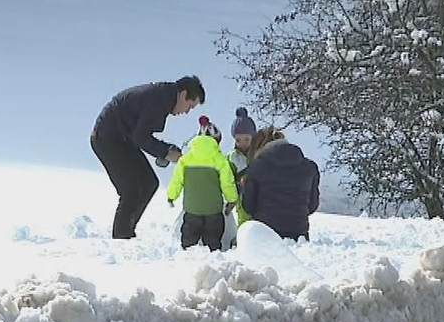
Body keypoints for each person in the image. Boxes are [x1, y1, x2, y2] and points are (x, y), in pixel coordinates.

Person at [91, 76, 205, 239]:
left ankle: (127, 232)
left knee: (149, 183)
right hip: (107, 138)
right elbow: (141, 137)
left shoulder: (164, 96)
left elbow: (140, 135)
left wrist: (167, 150)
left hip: (124, 139)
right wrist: (166, 152)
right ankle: (121, 238)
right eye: (190, 106)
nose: (186, 112)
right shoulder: (160, 98)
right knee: (130, 191)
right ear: (183, 94)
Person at [166, 117, 239, 250]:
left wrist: (171, 196)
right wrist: (232, 200)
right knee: (213, 239)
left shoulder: (185, 160)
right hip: (214, 211)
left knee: (189, 239)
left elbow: (176, 181)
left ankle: (188, 256)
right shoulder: (220, 160)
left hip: (191, 209)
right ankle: (213, 255)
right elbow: (227, 183)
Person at [240, 126, 320, 241]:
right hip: (299, 235)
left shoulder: (256, 168)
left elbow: (248, 206)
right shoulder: (309, 168)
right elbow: (312, 206)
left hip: (266, 234)